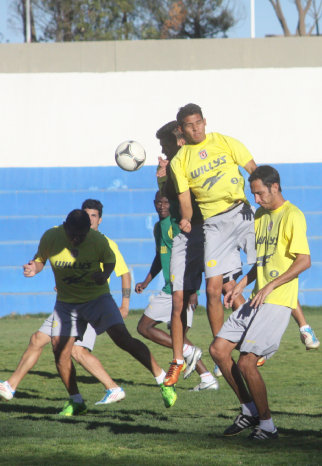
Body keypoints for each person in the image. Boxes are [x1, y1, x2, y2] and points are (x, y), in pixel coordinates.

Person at [2, 209, 167, 415]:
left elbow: (110, 262)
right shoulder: (51, 237)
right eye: (74, 234)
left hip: (97, 299)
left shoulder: (97, 240)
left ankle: (162, 378)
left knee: (122, 339)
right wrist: (34, 268)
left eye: (82, 234)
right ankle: (76, 400)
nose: (78, 239)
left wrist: (104, 275)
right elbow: (40, 259)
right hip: (66, 304)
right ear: (65, 226)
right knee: (59, 348)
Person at [210, 165, 311, 440]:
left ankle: (267, 426)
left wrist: (270, 285)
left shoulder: (293, 215)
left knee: (247, 363)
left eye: (259, 193)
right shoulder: (261, 215)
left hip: (277, 300)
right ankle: (249, 410)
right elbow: (262, 261)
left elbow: (304, 260)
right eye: (253, 194)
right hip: (258, 297)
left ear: (274, 187)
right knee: (218, 350)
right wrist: (241, 285)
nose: (256, 199)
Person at [165, 103, 257, 387]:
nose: (196, 129)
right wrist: (187, 220)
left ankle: (294, 328)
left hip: (240, 213)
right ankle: (222, 350)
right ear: (182, 129)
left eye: (199, 123)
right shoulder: (179, 161)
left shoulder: (224, 141)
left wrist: (262, 203)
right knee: (213, 289)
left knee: (269, 266)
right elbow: (183, 200)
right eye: (189, 126)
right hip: (213, 225)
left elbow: (253, 170)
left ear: (204, 121)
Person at [136, 191, 219, 393]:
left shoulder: (178, 223)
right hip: (169, 287)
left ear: (172, 205)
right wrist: (147, 280)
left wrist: (193, 290)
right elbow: (160, 255)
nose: (162, 206)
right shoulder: (158, 228)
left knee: (145, 327)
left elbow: (195, 255)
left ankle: (192, 356)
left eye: (166, 202)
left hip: (182, 288)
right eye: (158, 202)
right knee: (172, 334)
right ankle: (207, 377)